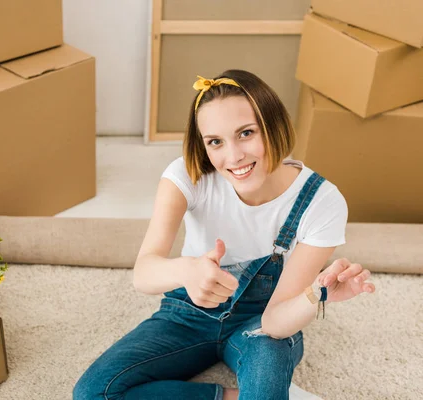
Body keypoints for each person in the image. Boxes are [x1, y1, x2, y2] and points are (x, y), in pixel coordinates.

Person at [73, 69, 376, 400]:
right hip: (187, 314)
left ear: (274, 125)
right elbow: (144, 274)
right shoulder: (186, 177)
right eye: (215, 141)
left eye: (246, 133)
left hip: (260, 323)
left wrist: (316, 294)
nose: (233, 157)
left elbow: (275, 322)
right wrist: (189, 270)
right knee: (93, 393)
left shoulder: (321, 202)